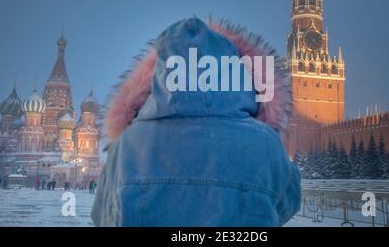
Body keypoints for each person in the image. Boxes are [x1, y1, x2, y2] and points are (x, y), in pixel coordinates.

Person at [92, 18, 301, 226]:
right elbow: (287, 204)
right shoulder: (265, 143)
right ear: (237, 71)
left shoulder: (128, 145)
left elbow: (103, 215)